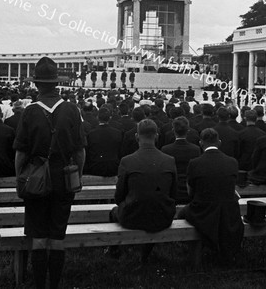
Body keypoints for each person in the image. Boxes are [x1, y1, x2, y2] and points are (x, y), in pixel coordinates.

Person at [13, 57, 86, 289]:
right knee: (57, 236)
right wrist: (77, 175)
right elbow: (81, 151)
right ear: (56, 83)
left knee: (38, 236)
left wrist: (21, 178)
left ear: (37, 85)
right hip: (64, 177)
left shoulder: (30, 111)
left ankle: (39, 285)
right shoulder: (72, 109)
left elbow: (21, 155)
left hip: (36, 177)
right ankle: (54, 284)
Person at [110, 119, 177, 263]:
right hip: (163, 216)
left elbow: (118, 197)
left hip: (132, 217)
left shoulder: (127, 161)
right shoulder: (169, 160)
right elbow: (173, 193)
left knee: (113, 212)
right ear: (157, 136)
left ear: (136, 137)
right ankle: (144, 254)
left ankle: (114, 249)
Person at [178, 128, 244, 263]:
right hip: (228, 211)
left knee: (181, 213)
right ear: (219, 142)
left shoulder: (195, 163)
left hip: (202, 211)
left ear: (201, 143)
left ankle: (191, 251)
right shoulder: (232, 162)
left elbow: (190, 192)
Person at [161, 117, 200, 204]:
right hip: (190, 191)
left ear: (173, 131)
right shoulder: (196, 149)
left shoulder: (166, 149)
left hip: (172, 191)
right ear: (188, 131)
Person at [84, 107, 123, 176]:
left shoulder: (91, 134)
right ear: (110, 118)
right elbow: (121, 152)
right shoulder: (117, 133)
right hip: (114, 167)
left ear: (98, 117)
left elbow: (88, 153)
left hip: (95, 167)